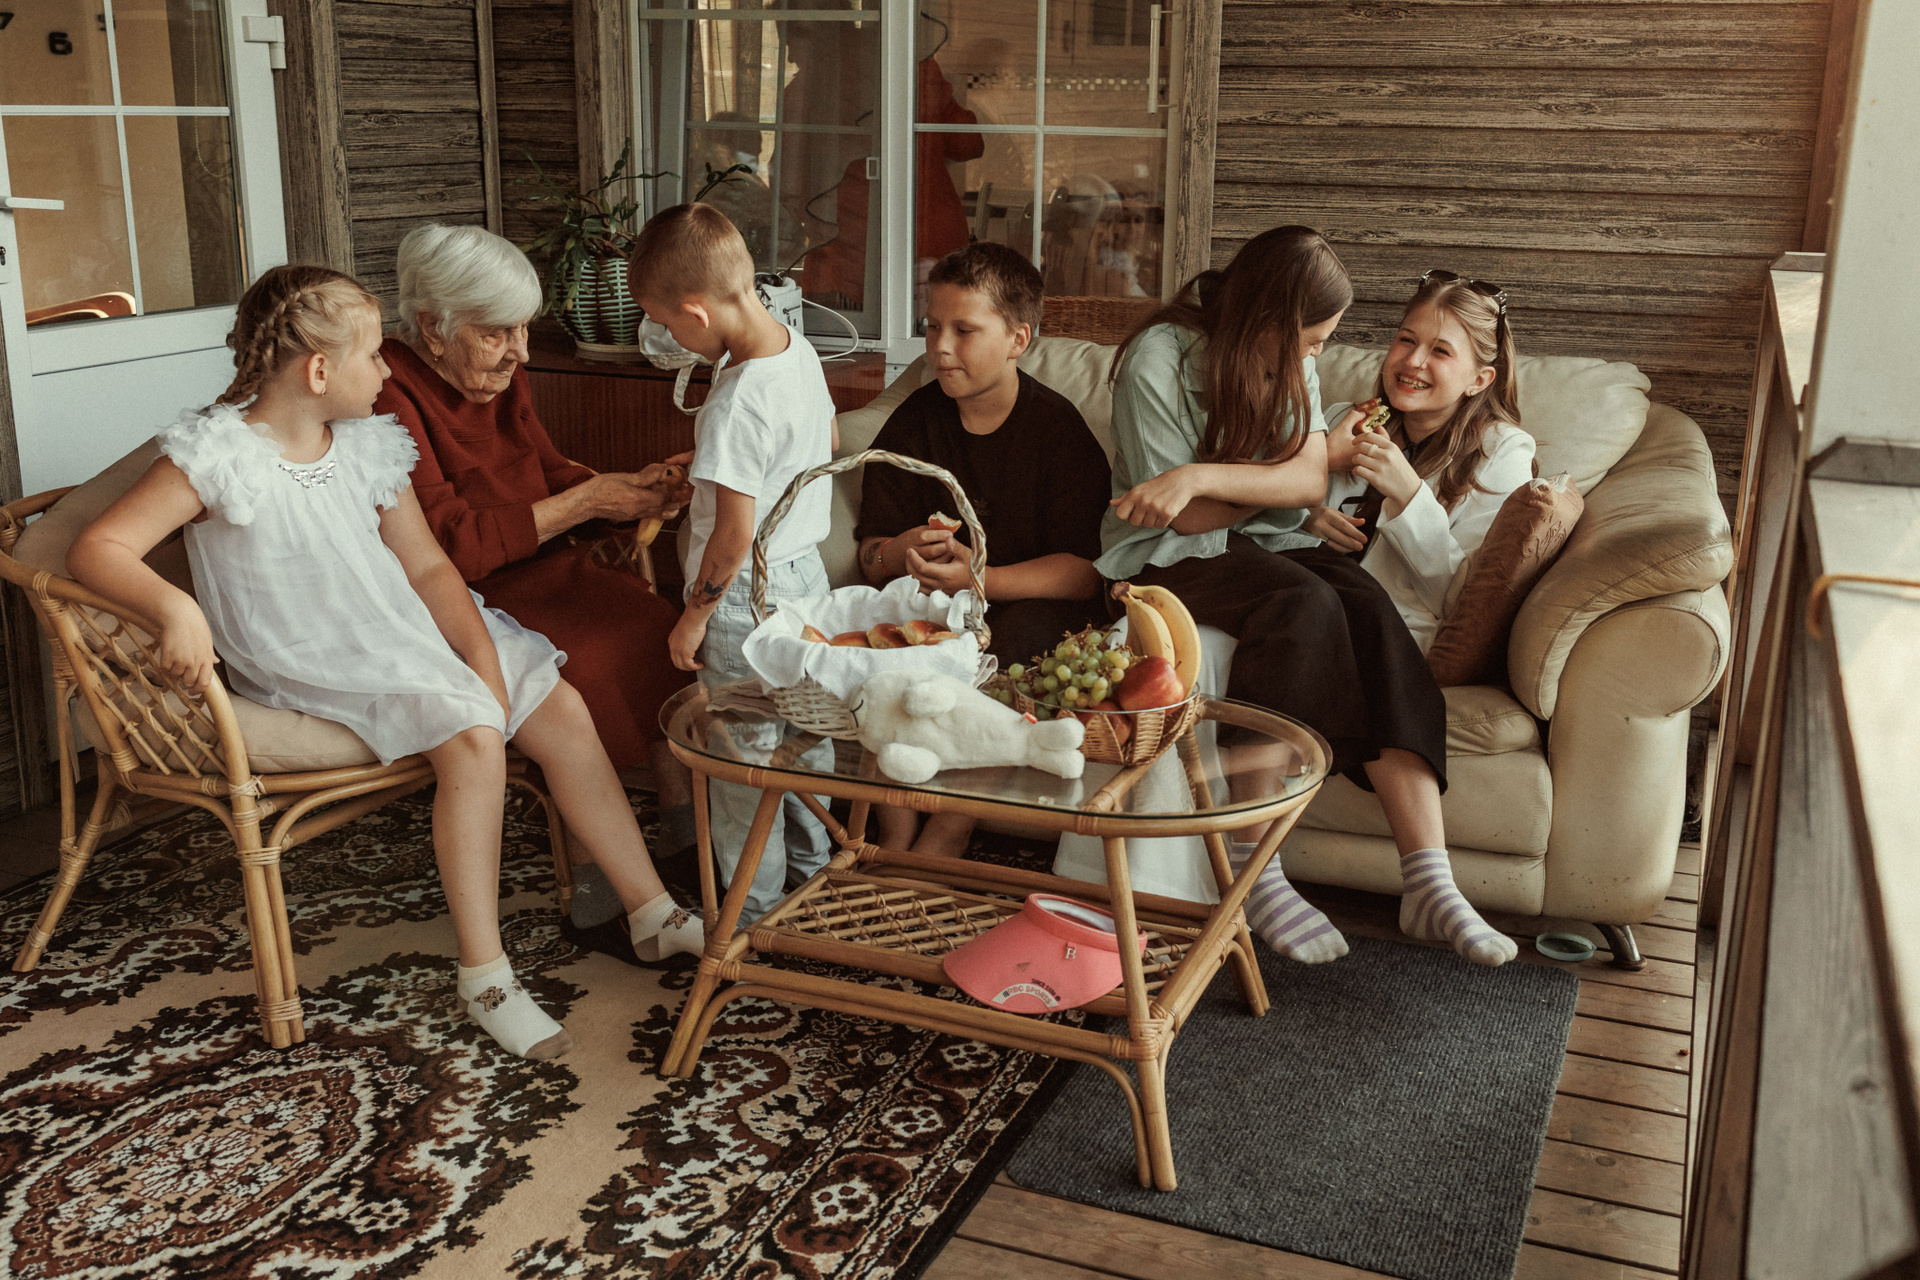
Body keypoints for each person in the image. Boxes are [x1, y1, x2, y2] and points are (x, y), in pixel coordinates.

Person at [67, 265, 703, 1062]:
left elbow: (430, 569)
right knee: (472, 736)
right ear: (319, 371)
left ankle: (651, 912)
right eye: (373, 356)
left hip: (396, 624)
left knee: (558, 703)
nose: (385, 372)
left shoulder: (369, 443)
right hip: (313, 650)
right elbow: (100, 547)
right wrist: (176, 609)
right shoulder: (217, 452)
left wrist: (483, 655)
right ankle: (486, 977)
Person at [1102, 226, 1517, 969]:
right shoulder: (1158, 358)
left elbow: (1302, 480)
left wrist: (1200, 475)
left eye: (1321, 344)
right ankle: (1254, 869)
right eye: (1310, 342)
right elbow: (1185, 520)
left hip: (1264, 540)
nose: (1314, 359)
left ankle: (1430, 881)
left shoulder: (1295, 357)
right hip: (1165, 555)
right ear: (1265, 320)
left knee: (1369, 610)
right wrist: (1259, 488)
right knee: (1304, 606)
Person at [373, 224, 700, 945]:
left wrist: (626, 491)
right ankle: (596, 891)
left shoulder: (497, 373)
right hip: (467, 598)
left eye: (524, 328)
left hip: (543, 569)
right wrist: (585, 503)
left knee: (656, 625)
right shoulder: (386, 393)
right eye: (497, 333)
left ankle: (679, 834)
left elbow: (547, 471)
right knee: (585, 662)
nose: (520, 352)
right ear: (432, 327)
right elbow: (447, 545)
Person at [855, 242, 1110, 856]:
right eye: (932, 327)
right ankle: (891, 832)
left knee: (1001, 652)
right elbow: (869, 556)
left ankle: (949, 830)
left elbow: (1085, 575)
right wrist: (899, 550)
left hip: (1031, 610)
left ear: (1018, 339)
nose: (940, 347)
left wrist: (979, 579)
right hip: (930, 607)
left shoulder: (1058, 433)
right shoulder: (915, 421)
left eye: (963, 330)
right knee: (890, 644)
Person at [628, 204, 838, 924]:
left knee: (742, 766)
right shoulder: (796, 349)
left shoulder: (735, 399)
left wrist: (693, 617)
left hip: (744, 601)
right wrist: (717, 468)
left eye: (666, 323)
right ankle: (815, 881)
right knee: (805, 742)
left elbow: (732, 537)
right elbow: (821, 441)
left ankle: (750, 918)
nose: (670, 338)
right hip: (806, 580)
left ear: (695, 311)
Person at [1306, 270, 1534, 652]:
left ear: (1479, 380)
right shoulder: (1342, 418)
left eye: (1440, 351)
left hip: (1386, 638)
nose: (1413, 360)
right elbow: (1262, 526)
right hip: (1302, 601)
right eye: (1406, 340)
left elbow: (1460, 601)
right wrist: (1304, 516)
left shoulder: (1502, 452)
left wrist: (1409, 494)